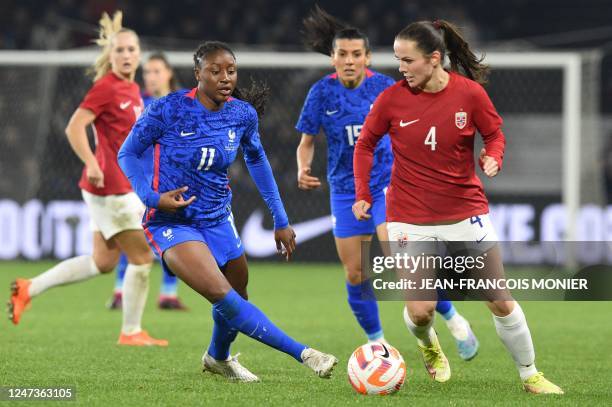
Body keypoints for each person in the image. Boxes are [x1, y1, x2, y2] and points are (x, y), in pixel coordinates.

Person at [352, 19, 563, 394]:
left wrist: (493, 156)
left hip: (465, 212)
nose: (400, 68)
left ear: (434, 59)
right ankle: (428, 343)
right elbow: (365, 144)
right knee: (421, 311)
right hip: (408, 216)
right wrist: (363, 193)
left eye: (408, 60)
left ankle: (531, 374)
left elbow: (494, 134)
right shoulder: (391, 99)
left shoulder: (470, 95)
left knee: (499, 300)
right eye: (398, 60)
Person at [117, 41, 338, 382]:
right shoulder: (168, 109)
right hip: (172, 222)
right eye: (215, 71)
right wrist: (151, 196)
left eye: (230, 71)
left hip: (218, 218)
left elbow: (257, 159)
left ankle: (217, 358)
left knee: (238, 295)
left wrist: (280, 219)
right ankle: (305, 353)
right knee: (223, 294)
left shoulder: (242, 114)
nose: (225, 78)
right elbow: (127, 153)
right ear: (197, 74)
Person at [296, 6, 479, 360]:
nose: (349, 60)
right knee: (355, 272)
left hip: (388, 186)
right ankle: (377, 342)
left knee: (402, 264)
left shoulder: (387, 88)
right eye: (342, 54)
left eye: (356, 54)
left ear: (367, 57)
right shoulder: (320, 93)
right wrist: (303, 169)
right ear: (332, 57)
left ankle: (452, 319)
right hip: (344, 191)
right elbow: (306, 141)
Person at [8, 11, 167, 346]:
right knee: (141, 258)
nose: (125, 55)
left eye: (130, 49)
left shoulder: (132, 89)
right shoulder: (107, 88)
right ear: (110, 57)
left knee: (103, 262)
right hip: (110, 186)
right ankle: (131, 331)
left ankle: (28, 288)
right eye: (119, 50)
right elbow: (74, 126)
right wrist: (91, 161)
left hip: (111, 186)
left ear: (139, 54)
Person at [108, 52, 187, 311]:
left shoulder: (184, 101)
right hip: (141, 181)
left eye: (156, 71)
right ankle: (120, 291)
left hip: (172, 179)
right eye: (147, 73)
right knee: (133, 235)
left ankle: (168, 294)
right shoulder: (136, 102)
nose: (151, 77)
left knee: (174, 236)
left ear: (169, 73)